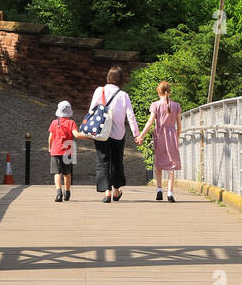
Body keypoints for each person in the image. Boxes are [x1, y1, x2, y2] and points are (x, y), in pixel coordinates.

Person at [87, 66, 139, 203]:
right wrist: (136, 134)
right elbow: (130, 116)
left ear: (108, 77)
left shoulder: (100, 91)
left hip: (101, 132)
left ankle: (107, 192)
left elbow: (92, 110)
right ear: (121, 79)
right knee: (117, 162)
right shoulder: (124, 95)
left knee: (103, 161)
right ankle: (116, 191)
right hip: (118, 134)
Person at [136, 80, 182, 201]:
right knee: (171, 164)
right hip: (172, 135)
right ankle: (170, 193)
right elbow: (179, 124)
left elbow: (150, 121)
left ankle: (159, 190)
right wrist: (177, 136)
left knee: (159, 162)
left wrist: (141, 135)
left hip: (159, 134)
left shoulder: (155, 105)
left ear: (158, 91)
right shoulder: (176, 106)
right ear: (169, 91)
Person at [48, 101, 80, 202]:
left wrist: (50, 148)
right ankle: (67, 192)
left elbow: (50, 138)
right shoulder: (72, 123)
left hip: (56, 150)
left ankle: (58, 193)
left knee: (57, 173)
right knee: (67, 173)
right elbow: (76, 134)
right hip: (68, 151)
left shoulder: (54, 122)